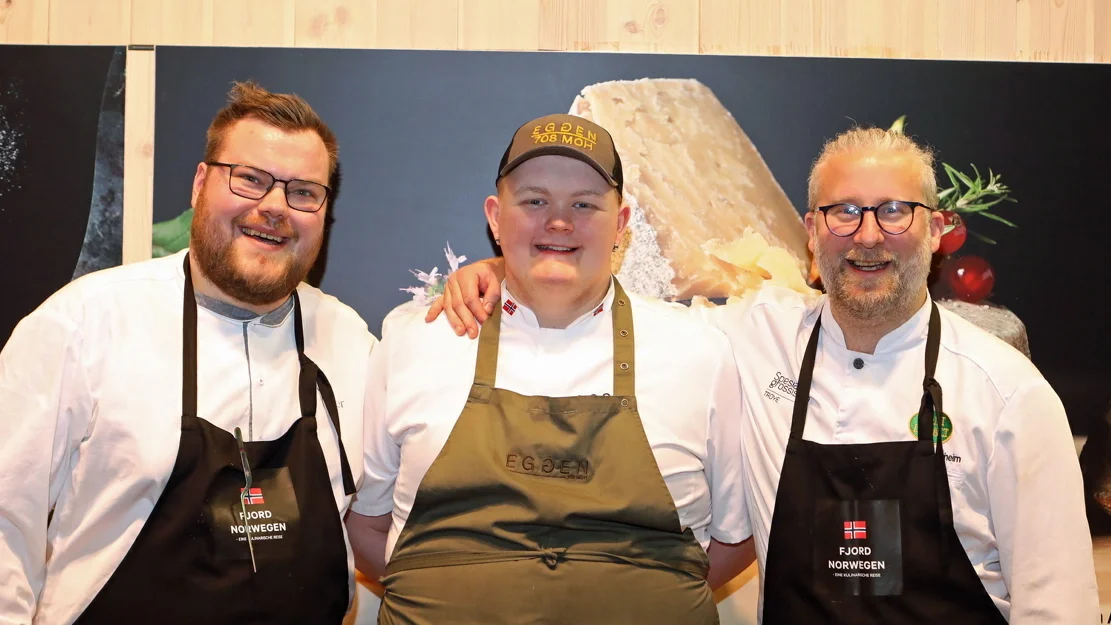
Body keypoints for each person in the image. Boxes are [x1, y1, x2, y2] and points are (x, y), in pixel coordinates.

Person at [429, 126, 1099, 623]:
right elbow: (606, 302)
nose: (867, 235)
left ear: (934, 229)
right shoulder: (752, 338)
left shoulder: (1007, 393)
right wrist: (509, 268)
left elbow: (1057, 607)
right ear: (811, 233)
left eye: (894, 211)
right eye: (842, 212)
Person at [345, 114, 752, 624]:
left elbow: (734, 541)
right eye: (535, 201)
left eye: (584, 204)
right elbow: (366, 527)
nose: (559, 222)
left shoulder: (699, 352)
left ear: (621, 224)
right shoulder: (413, 339)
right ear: (496, 217)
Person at [0, 81, 377, 624]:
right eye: (249, 179)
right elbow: (7, 524)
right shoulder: (84, 323)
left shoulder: (350, 341)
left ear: (324, 211)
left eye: (303, 192)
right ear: (201, 184)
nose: (275, 207)